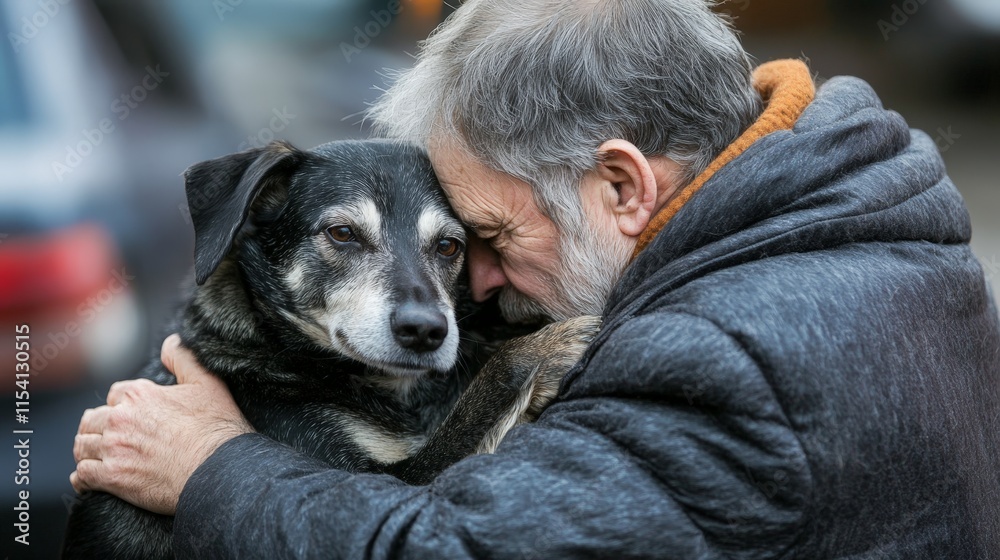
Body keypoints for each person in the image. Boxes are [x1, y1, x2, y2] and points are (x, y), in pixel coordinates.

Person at [72, 0, 1000, 557]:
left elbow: (447, 550)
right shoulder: (879, 229)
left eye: (486, 233)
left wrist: (208, 466)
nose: (473, 285)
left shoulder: (726, 360)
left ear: (622, 185)